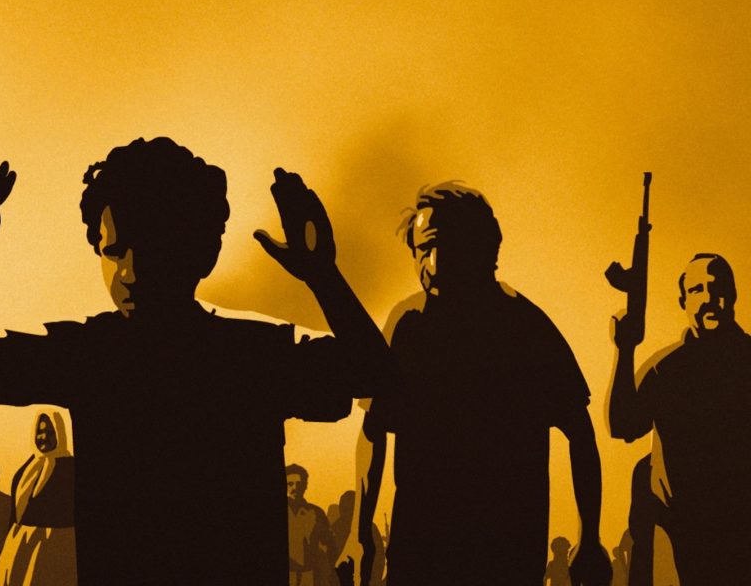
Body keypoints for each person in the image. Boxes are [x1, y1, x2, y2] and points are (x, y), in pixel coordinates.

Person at [0, 138, 392, 583]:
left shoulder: (92, 355)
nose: (130, 272)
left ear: (202, 252)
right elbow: (376, 373)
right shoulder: (248, 353)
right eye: (114, 252)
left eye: (153, 249)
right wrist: (321, 274)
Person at [348, 182, 609, 586]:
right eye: (423, 249)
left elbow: (580, 432)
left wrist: (589, 537)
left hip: (506, 552)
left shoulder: (525, 327)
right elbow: (373, 429)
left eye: (446, 245)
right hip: (420, 550)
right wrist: (358, 532)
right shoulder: (406, 326)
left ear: (483, 248)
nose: (433, 262)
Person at [607, 253, 751, 585]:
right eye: (697, 290)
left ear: (732, 295)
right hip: (676, 536)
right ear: (683, 301)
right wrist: (625, 349)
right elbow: (624, 425)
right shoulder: (665, 370)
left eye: (717, 288)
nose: (709, 298)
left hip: (738, 532)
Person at [0, 411, 76, 586]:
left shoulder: (70, 468)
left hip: (56, 546)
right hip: (20, 545)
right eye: (40, 432)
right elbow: (14, 513)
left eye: (50, 432)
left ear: (59, 433)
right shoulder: (26, 470)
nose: (43, 437)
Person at [285, 464, 336, 586]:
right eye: (290, 484)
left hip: (310, 576)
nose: (294, 488)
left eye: (299, 484)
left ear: (305, 486)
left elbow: (329, 543)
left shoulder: (316, 512)